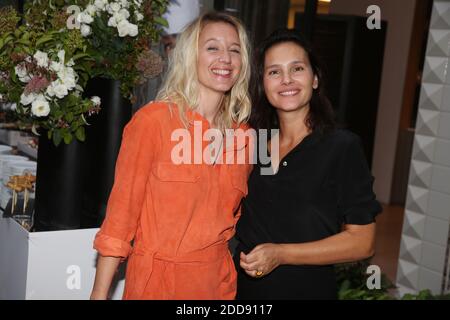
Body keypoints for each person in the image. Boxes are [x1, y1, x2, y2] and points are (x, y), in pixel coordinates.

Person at [90, 12, 252, 300]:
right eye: (212, 47)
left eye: (235, 50)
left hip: (218, 286)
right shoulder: (153, 122)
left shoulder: (244, 138)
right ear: (191, 56)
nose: (225, 58)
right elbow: (120, 219)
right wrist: (99, 294)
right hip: (156, 285)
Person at [233, 29, 383, 300]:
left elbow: (363, 242)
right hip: (242, 293)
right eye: (274, 72)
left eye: (297, 68)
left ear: (314, 79)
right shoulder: (251, 143)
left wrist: (281, 254)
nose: (286, 79)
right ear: (263, 84)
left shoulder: (340, 147)